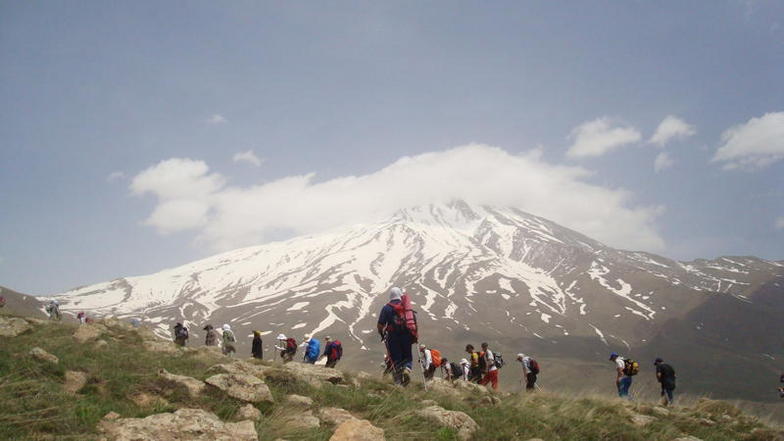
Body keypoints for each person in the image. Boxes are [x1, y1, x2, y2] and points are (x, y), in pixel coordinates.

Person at [377, 287, 415, 386]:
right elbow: (412, 321)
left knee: (396, 359)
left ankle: (398, 383)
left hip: (393, 337)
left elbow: (380, 324)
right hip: (406, 336)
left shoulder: (386, 308)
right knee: (407, 357)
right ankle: (407, 369)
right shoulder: (406, 307)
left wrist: (382, 334)